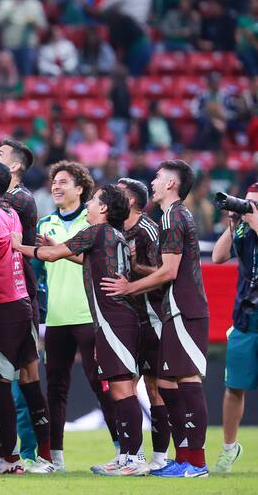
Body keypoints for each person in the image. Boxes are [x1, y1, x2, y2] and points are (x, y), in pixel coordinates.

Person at [14, 184, 149, 476]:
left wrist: (18, 246)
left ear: (104, 208)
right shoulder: (112, 234)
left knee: (123, 389)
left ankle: (134, 459)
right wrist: (55, 246)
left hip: (114, 320)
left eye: (93, 200)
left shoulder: (95, 231)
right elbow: (83, 258)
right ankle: (127, 455)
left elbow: (51, 256)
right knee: (119, 389)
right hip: (118, 319)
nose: (88, 204)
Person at [102, 160, 210, 478]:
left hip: (185, 307)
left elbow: (169, 271)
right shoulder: (170, 216)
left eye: (159, 177)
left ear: (172, 184)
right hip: (173, 309)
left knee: (188, 380)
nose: (153, 181)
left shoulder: (174, 216)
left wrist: (130, 286)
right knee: (166, 383)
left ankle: (197, 463)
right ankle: (182, 457)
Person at [36, 161, 117, 472]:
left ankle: (122, 452)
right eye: (54, 182)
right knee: (55, 388)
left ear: (80, 188)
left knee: (101, 383)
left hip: (88, 315)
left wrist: (59, 249)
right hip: (56, 318)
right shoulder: (45, 224)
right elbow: (38, 271)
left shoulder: (94, 220)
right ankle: (55, 458)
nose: (56, 187)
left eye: (63, 182)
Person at [0, 160, 45, 474]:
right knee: (21, 379)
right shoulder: (12, 212)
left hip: (1, 306)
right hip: (20, 301)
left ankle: (9, 457)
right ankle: (42, 455)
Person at [0, 140, 52, 470]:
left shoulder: (19, 200)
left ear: (14, 167)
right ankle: (25, 453)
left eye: (0, 154)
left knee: (17, 376)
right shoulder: (7, 199)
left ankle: (21, 453)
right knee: (20, 376)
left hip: (14, 291)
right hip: (7, 290)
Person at [117, 178, 170, 471]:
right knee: (121, 385)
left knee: (153, 387)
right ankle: (129, 456)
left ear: (131, 201)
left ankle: (160, 457)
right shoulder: (115, 228)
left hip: (151, 316)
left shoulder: (148, 230)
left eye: (118, 194)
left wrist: (137, 269)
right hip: (125, 317)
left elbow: (166, 273)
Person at [210, 184, 258, 473]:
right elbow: (217, 257)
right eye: (246, 201)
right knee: (234, 387)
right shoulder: (243, 229)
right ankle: (229, 449)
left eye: (254, 203)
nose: (248, 206)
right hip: (245, 320)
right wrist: (233, 222)